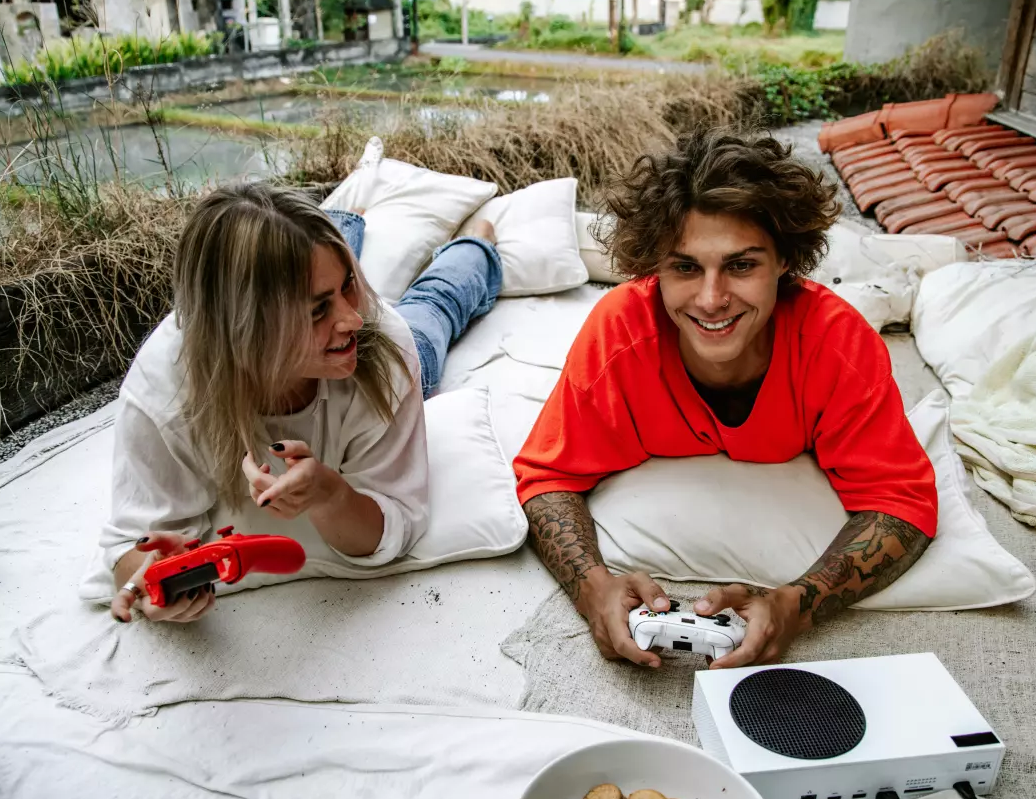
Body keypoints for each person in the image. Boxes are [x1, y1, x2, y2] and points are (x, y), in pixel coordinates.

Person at [514, 128, 938, 670]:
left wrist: (796, 604)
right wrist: (592, 587)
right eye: (685, 267)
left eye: (741, 265)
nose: (712, 300)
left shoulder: (840, 345)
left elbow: (902, 502)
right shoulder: (619, 333)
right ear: (655, 269)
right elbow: (547, 477)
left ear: (784, 261)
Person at [105, 181, 502, 624]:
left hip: (376, 352)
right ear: (244, 330)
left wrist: (331, 496)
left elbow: (397, 519)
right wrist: (148, 584)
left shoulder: (380, 338)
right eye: (317, 311)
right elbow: (131, 545)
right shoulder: (164, 391)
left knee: (433, 307)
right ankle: (348, 224)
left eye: (349, 284)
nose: (352, 317)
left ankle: (474, 244)